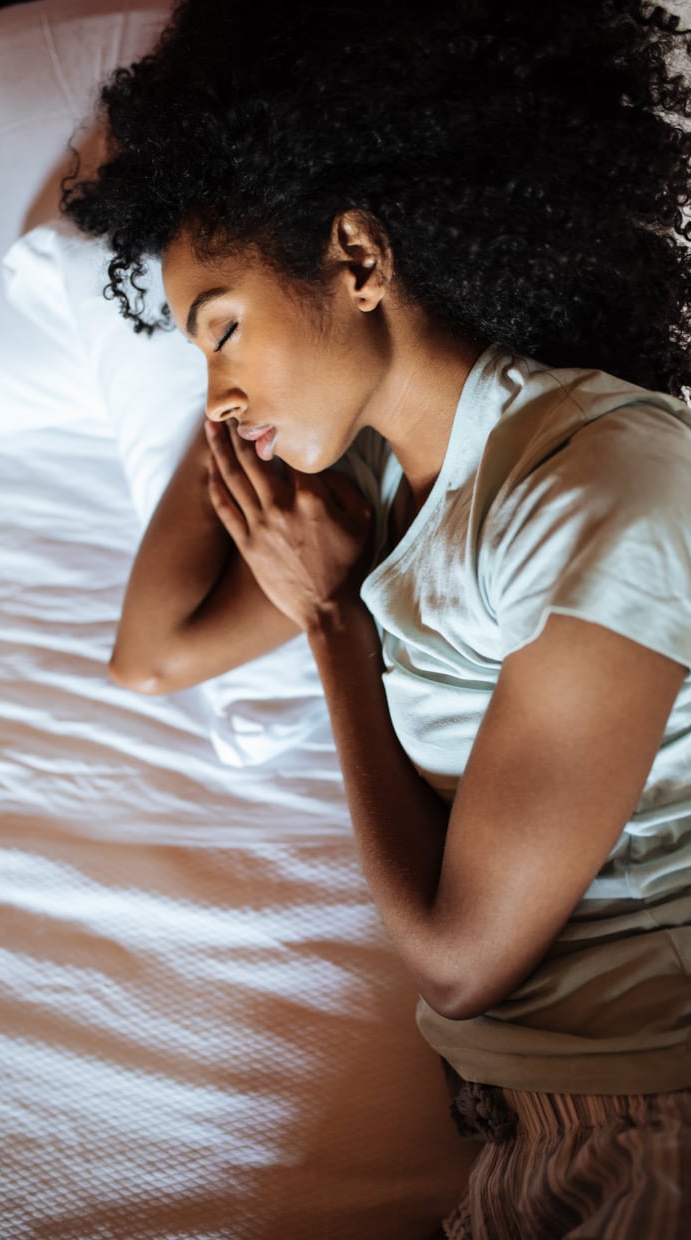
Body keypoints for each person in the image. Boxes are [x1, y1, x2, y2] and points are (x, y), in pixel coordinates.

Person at [62, 1, 691, 1234]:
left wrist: (334, 623)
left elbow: (462, 958)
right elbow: (153, 655)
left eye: (224, 326)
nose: (221, 389)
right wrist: (235, 411)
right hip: (533, 1121)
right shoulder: (384, 477)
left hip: (649, 1111)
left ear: (356, 256)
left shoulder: (602, 481)